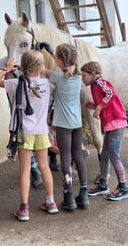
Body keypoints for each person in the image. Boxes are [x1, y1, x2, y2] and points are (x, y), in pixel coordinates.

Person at [0, 50, 58, 221]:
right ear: (41, 66)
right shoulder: (47, 84)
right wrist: (43, 70)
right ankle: (51, 202)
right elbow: (60, 77)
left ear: (24, 66)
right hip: (41, 131)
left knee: (25, 169)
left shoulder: (15, 83)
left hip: (23, 133)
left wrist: (7, 69)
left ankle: (24, 209)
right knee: (45, 167)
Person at [45, 43, 89, 210]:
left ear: (59, 60)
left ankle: (68, 195)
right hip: (77, 123)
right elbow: (64, 66)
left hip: (63, 124)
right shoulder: (78, 76)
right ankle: (83, 194)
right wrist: (52, 53)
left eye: (55, 56)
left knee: (65, 156)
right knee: (78, 155)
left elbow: (44, 71)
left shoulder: (57, 76)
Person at [81, 61, 128, 201]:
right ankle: (103, 183)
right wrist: (94, 105)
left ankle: (123, 187)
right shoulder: (94, 86)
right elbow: (106, 99)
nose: (82, 78)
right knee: (105, 154)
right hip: (110, 124)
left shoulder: (100, 82)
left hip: (116, 122)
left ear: (92, 74)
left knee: (114, 154)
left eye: (84, 75)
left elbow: (111, 93)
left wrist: (99, 107)